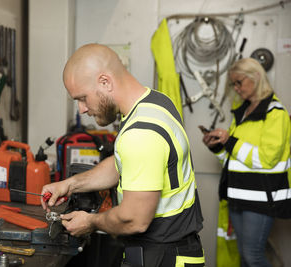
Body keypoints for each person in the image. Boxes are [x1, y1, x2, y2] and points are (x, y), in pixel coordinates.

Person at [41, 43, 205, 266]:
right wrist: (70, 185)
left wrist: (90, 222)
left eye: (82, 98)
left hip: (164, 256)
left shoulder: (141, 133)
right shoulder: (155, 102)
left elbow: (133, 219)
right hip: (167, 249)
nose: (81, 109)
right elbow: (123, 164)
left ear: (105, 82)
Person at [202, 57, 291, 267]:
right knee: (244, 255)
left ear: (256, 77)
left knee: (253, 256)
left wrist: (230, 141)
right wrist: (217, 146)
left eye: (239, 82)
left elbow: (267, 160)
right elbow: (233, 159)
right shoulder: (242, 112)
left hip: (260, 198)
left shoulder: (275, 114)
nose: (236, 88)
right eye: (233, 84)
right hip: (237, 195)